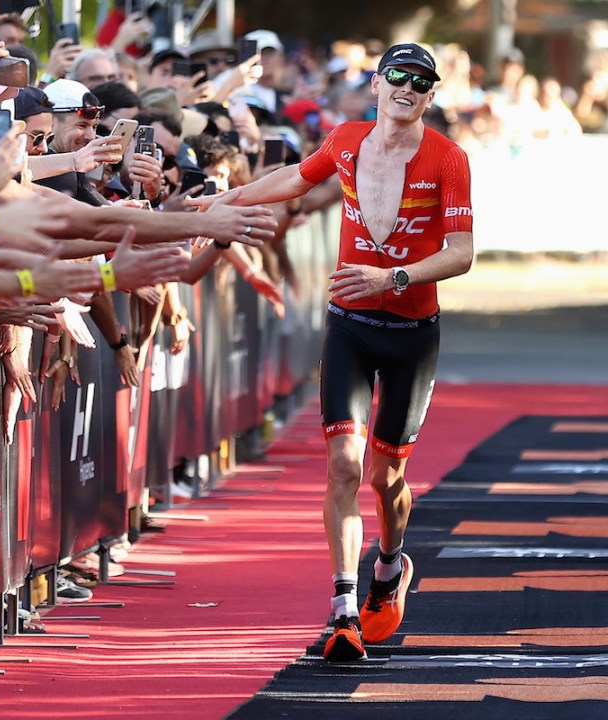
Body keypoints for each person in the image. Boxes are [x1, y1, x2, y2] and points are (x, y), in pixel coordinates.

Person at [192, 42, 474, 662]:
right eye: (397, 76)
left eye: (420, 81)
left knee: (384, 476)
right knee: (344, 466)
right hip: (348, 326)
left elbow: (462, 253)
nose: (407, 87)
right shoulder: (346, 138)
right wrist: (222, 202)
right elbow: (296, 178)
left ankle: (391, 563)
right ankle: (344, 610)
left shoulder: (449, 158)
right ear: (376, 84)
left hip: (410, 334)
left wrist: (391, 279)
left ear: (430, 95)